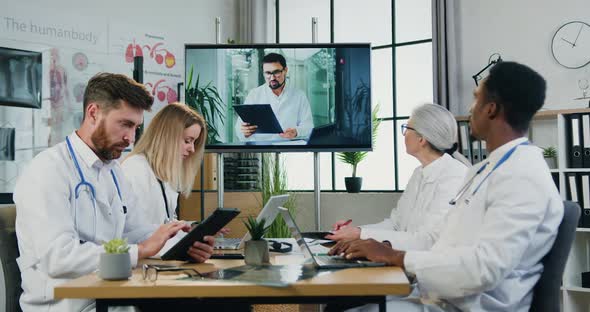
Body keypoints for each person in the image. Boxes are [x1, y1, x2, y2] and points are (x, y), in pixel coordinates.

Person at [329, 61, 564, 311]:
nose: (470, 108)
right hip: (440, 294)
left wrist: (395, 256)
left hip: (466, 305)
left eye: (476, 99)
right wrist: (380, 248)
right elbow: (446, 246)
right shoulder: (487, 169)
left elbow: (484, 269)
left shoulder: (522, 176)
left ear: (491, 109)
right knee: (341, 303)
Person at [13, 73, 215, 312]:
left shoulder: (113, 172)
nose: (130, 137)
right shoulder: (48, 169)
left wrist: (183, 243)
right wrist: (139, 251)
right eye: (125, 124)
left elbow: (138, 231)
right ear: (93, 113)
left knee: (217, 304)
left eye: (136, 127)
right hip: (69, 306)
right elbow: (59, 257)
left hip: (112, 295)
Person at [327, 103, 469, 251]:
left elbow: (428, 241)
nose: (404, 133)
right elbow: (396, 225)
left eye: (407, 128)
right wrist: (354, 231)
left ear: (422, 139)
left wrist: (360, 234)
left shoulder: (455, 176)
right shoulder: (419, 173)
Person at [122, 102, 206, 224]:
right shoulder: (135, 169)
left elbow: (167, 222)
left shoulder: (163, 173)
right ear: (167, 136)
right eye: (187, 141)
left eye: (194, 142)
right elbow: (136, 230)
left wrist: (194, 228)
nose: (192, 149)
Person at [235, 52, 314, 141]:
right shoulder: (254, 95)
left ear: (285, 70)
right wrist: (244, 131)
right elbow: (239, 128)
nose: (272, 78)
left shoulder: (299, 96)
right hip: (261, 149)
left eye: (276, 72)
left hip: (288, 148)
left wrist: (296, 132)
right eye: (268, 73)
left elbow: (309, 127)